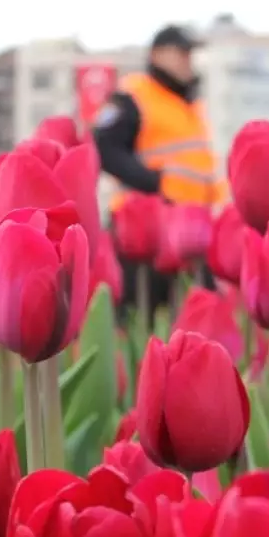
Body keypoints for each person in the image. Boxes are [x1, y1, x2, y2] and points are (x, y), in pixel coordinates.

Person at [94, 25, 226, 319]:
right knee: (141, 318)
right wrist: (155, 184)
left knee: (200, 318)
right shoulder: (134, 95)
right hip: (146, 227)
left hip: (192, 227)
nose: (187, 60)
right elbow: (105, 148)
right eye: (181, 52)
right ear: (157, 55)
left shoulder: (188, 104)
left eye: (189, 54)